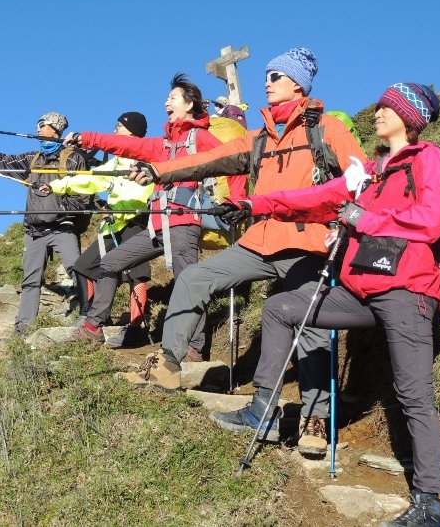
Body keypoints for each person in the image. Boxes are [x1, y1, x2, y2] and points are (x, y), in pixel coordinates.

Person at [217, 83, 440, 527]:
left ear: (410, 116)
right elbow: (316, 198)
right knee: (281, 308)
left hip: (408, 290)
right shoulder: (367, 172)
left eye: (389, 107)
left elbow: (432, 219)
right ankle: (263, 411)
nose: (379, 112)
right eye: (382, 104)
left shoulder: (429, 159)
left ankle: (428, 503)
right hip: (359, 289)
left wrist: (362, 219)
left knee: (413, 394)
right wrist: (256, 204)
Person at [124, 48, 367, 453]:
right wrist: (157, 170)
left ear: (298, 84)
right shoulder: (259, 138)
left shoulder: (327, 130)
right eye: (267, 75)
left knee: (309, 322)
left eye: (276, 76)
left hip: (308, 244)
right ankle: (168, 365)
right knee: (193, 278)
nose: (267, 81)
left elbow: (360, 179)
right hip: (258, 242)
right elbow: (208, 160)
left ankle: (315, 420)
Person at [62, 73, 242, 346]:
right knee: (109, 263)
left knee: (187, 283)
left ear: (188, 105)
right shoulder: (162, 144)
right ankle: (93, 327)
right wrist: (88, 139)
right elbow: (128, 144)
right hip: (157, 225)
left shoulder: (200, 139)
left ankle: (194, 348)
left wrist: (237, 202)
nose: (166, 102)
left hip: (184, 222)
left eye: (172, 98)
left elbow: (235, 163)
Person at [0, 112, 91, 335]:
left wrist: (61, 208)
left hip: (63, 226)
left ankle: (91, 315)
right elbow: (1, 161)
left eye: (42, 125)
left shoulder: (74, 158)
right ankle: (23, 330)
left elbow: (83, 195)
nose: (37, 129)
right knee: (30, 280)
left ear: (55, 129)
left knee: (76, 269)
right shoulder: (32, 158)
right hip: (34, 230)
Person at [48, 112, 154, 346]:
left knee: (136, 274)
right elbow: (92, 178)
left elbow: (143, 194)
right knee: (86, 265)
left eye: (119, 126)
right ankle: (92, 317)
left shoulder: (146, 154)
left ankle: (135, 325)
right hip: (114, 224)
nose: (115, 129)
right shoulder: (116, 160)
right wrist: (58, 185)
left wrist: (120, 210)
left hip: (136, 222)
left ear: (131, 130)